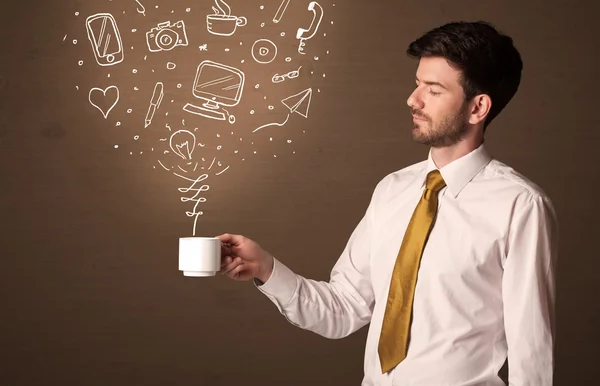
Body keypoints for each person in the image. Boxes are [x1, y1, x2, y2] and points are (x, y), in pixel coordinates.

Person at [217, 21, 558, 386]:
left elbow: (531, 353)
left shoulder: (519, 206)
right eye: (417, 84)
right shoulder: (392, 190)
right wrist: (265, 268)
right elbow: (342, 308)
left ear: (478, 108)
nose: (413, 99)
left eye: (434, 90)